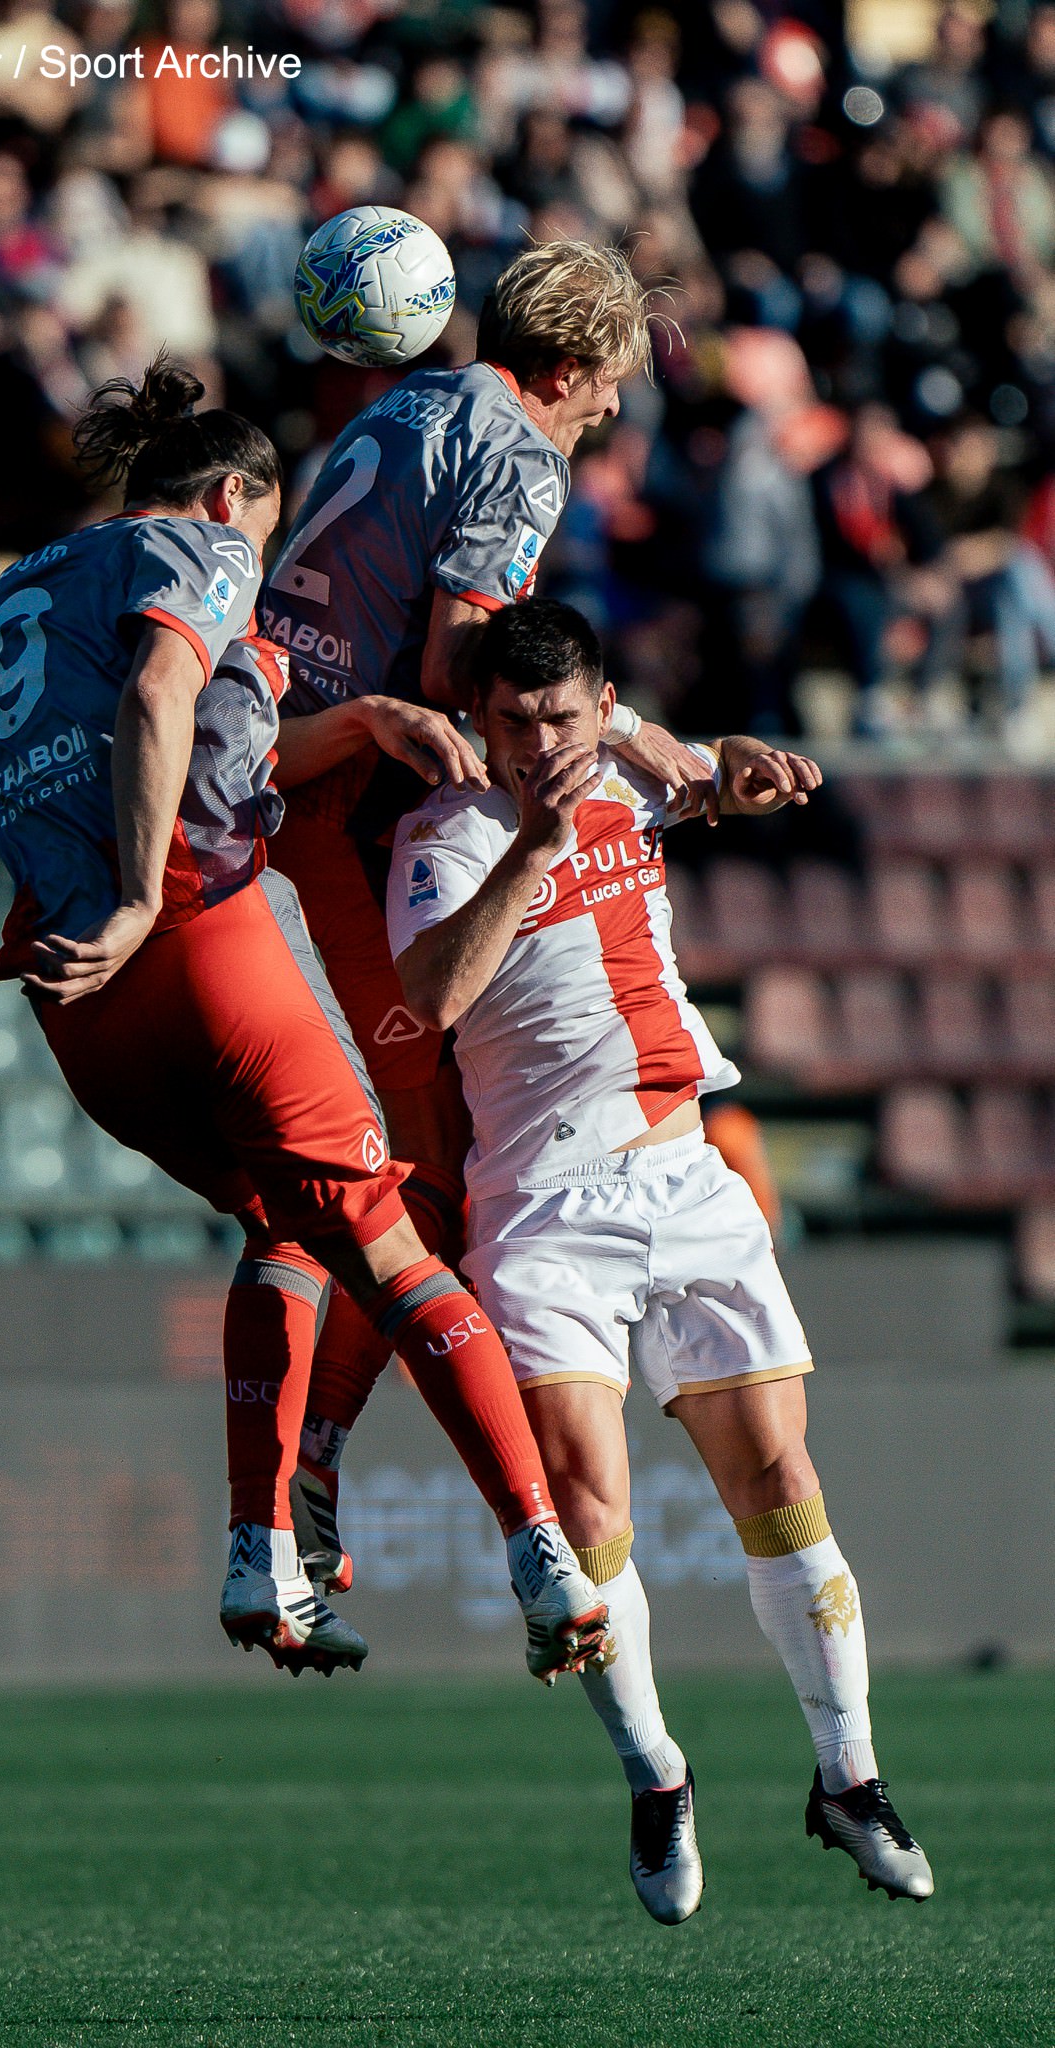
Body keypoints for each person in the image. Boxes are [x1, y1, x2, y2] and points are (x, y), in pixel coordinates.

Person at [0, 355, 610, 1684]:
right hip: (197, 940)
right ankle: (544, 1558)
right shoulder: (197, 547)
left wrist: (366, 718)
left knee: (289, 1222)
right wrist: (153, 897)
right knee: (394, 1232)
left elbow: (210, 738)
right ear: (228, 499)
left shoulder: (24, 586)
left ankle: (263, 1553)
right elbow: (162, 694)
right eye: (261, 534)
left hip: (75, 999)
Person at [384, 600, 933, 1920]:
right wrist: (529, 847)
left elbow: (703, 780)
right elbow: (430, 995)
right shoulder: (444, 834)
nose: (534, 744)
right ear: (478, 720)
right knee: (586, 1519)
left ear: (601, 704)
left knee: (780, 1474)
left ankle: (845, 1776)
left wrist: (735, 772)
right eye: (509, 724)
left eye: (559, 720)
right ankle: (655, 1775)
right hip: (541, 1203)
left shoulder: (633, 772)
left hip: (685, 1172)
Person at [257, 239, 712, 1579]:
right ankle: (299, 1478)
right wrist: (624, 728)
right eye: (607, 385)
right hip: (325, 812)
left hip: (282, 767)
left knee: (394, 1168)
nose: (613, 410)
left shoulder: (409, 405)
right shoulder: (518, 452)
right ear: (564, 368)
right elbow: (465, 665)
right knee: (408, 1176)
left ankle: (305, 1472)